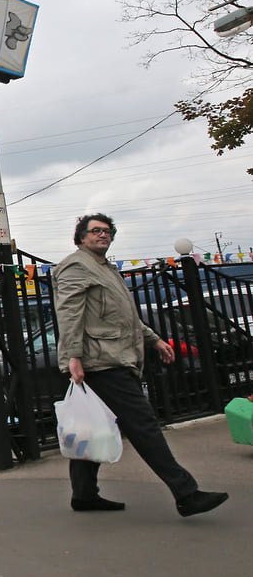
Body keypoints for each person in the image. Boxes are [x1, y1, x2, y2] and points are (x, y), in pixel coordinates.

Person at [53, 213, 228, 517]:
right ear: (81, 237)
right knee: (143, 425)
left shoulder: (106, 269)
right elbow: (69, 313)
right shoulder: (75, 266)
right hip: (101, 361)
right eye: (95, 231)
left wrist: (155, 340)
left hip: (115, 357)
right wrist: (73, 356)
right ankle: (186, 493)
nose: (103, 235)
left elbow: (126, 317)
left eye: (107, 231)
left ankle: (84, 495)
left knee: (92, 428)